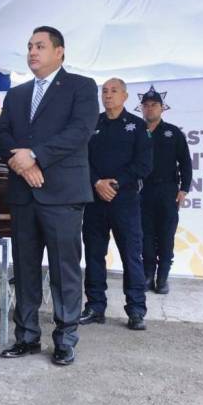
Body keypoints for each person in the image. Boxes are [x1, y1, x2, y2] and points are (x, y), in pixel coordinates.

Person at [0, 26, 99, 366]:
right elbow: (1, 135)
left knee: (63, 270)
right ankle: (26, 337)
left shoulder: (81, 87)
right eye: (29, 46)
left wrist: (36, 156)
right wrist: (23, 165)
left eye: (40, 46)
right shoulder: (17, 94)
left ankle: (65, 339)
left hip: (63, 194)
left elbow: (80, 131)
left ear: (59, 52)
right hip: (24, 194)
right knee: (25, 270)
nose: (32, 52)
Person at [79, 78, 152, 331]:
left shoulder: (137, 126)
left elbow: (144, 165)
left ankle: (136, 310)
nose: (108, 95)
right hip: (95, 200)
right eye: (105, 91)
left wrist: (115, 184)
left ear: (125, 96)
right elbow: (82, 159)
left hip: (125, 202)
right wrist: (97, 182)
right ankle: (95, 306)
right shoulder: (92, 123)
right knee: (93, 255)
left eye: (114, 91)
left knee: (131, 256)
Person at [138, 85, 192, 294]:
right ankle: (148, 275)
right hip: (142, 191)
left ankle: (162, 278)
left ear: (162, 108)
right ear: (142, 108)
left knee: (166, 235)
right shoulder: (136, 131)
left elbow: (185, 163)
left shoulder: (173, 132)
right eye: (146, 105)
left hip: (168, 191)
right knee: (145, 236)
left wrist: (184, 189)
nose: (150, 108)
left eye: (154, 105)